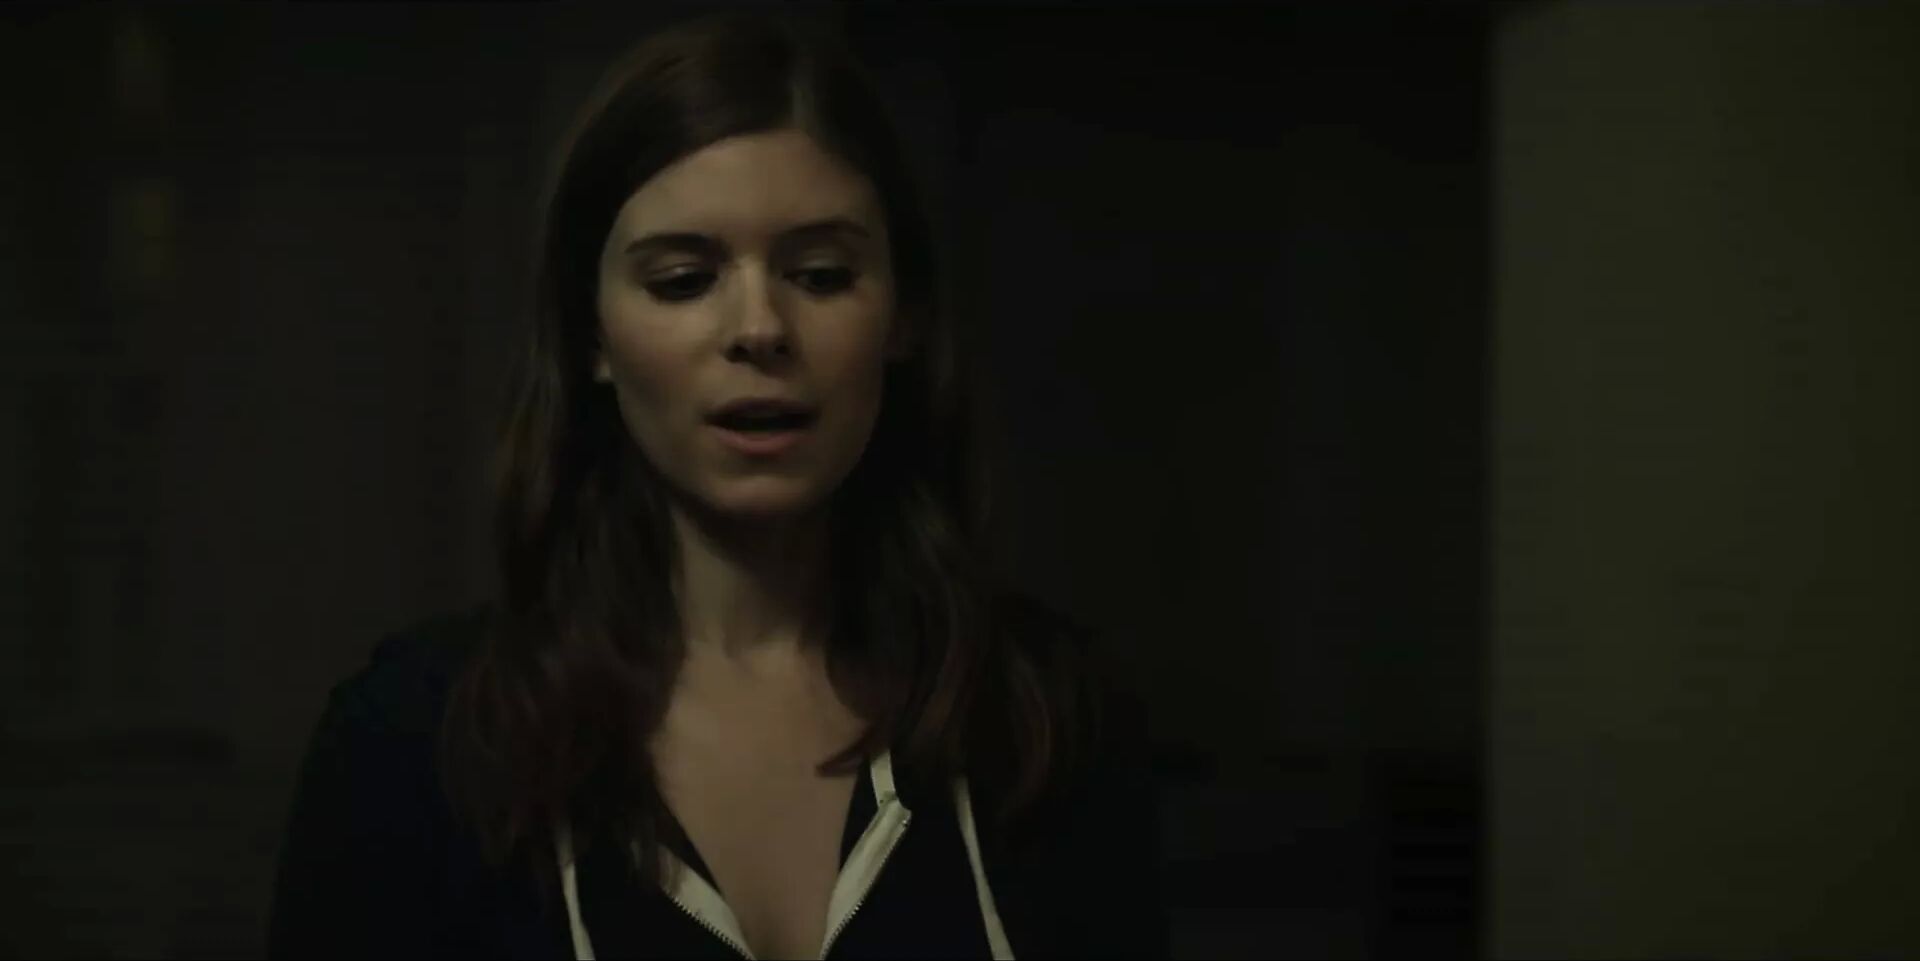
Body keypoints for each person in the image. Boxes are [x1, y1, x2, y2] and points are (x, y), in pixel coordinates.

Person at [266, 12, 1168, 960]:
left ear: (902, 315)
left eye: (820, 274)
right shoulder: (420, 740)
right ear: (589, 336)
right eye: (684, 280)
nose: (760, 328)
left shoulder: (1043, 718)